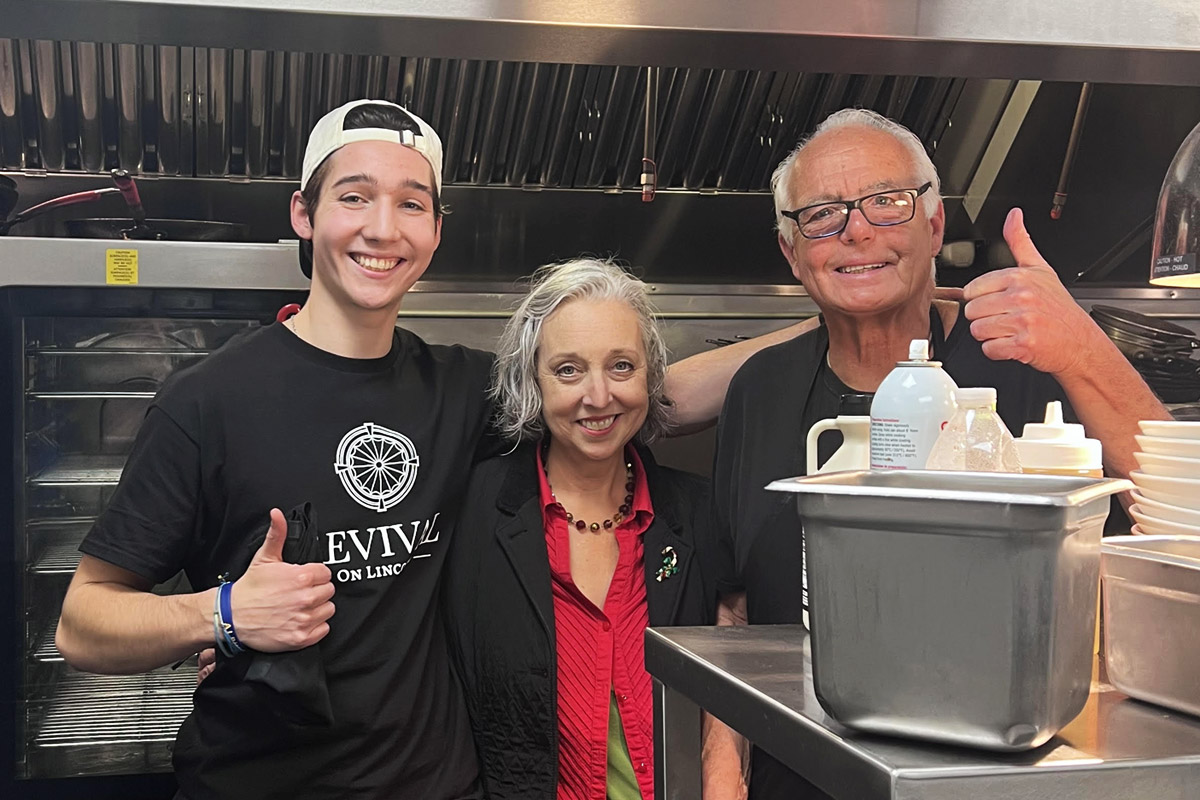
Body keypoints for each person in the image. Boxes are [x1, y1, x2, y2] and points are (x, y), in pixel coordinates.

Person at [54, 99, 810, 799]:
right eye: (354, 196)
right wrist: (219, 613)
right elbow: (82, 624)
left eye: (411, 203)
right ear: (304, 214)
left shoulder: (459, 388)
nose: (384, 229)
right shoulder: (206, 402)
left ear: (435, 229)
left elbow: (633, 397)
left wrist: (831, 324)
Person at [709, 107, 1171, 799]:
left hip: (1003, 779)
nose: (857, 230)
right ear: (792, 253)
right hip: (798, 775)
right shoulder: (760, 391)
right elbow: (736, 609)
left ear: (934, 225)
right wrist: (723, 776)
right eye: (823, 215)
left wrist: (1083, 350)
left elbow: (1181, 519)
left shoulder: (1027, 362)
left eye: (886, 202)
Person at [442, 258, 738, 800]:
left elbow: (732, 643)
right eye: (568, 370)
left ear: (651, 374)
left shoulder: (695, 512)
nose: (598, 397)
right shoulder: (474, 512)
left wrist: (722, 754)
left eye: (622, 366)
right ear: (533, 379)